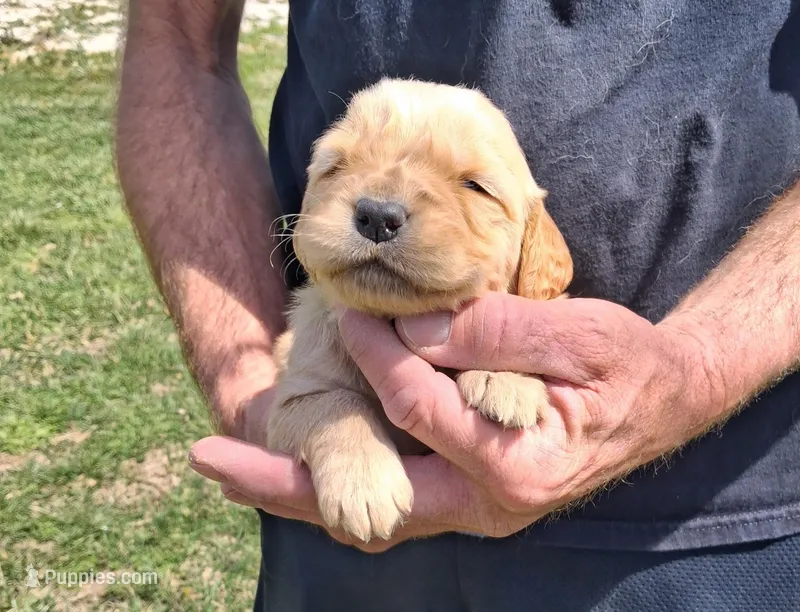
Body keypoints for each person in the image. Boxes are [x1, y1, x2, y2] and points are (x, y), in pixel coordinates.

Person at [115, 1, 800, 610]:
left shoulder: (540, 267)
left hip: (701, 515)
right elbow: (176, 35)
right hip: (338, 537)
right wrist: (265, 393)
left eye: (472, 187)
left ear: (538, 251)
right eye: (336, 167)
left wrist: (696, 364)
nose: (383, 206)